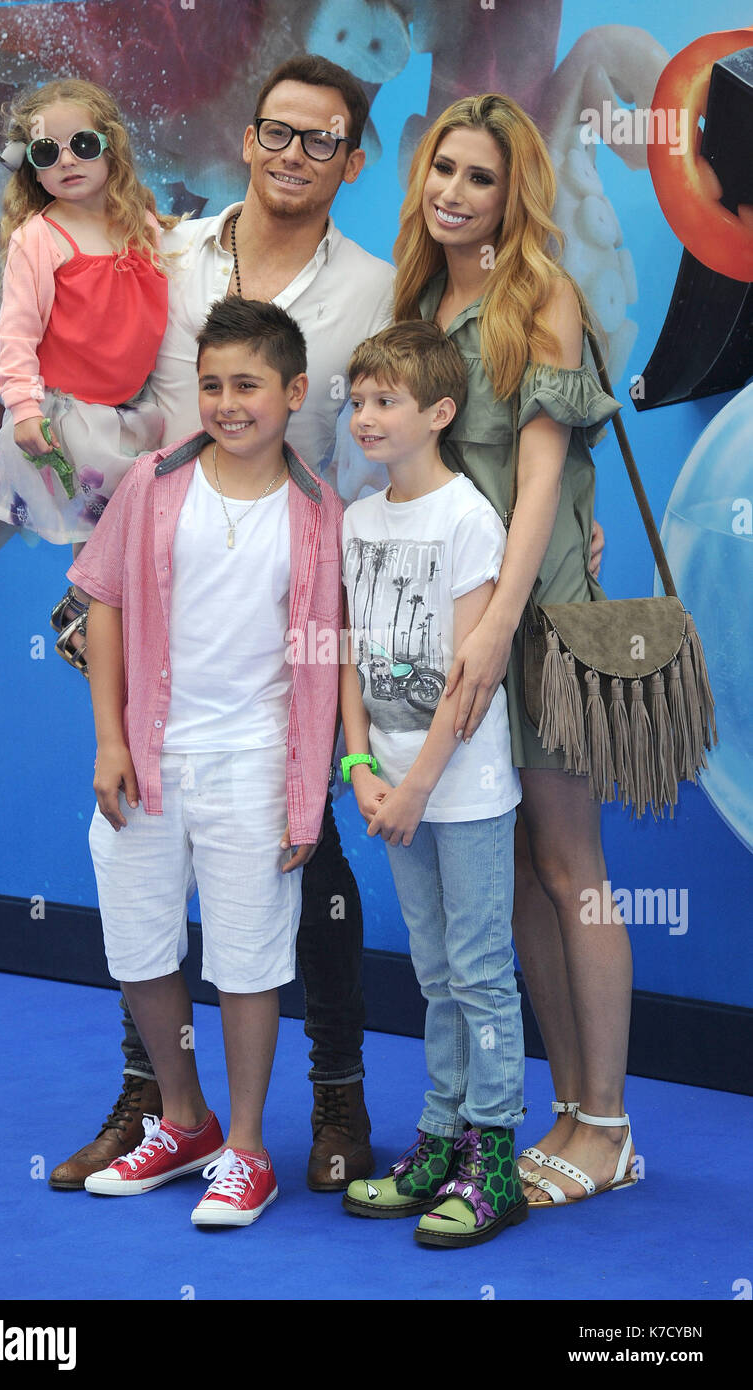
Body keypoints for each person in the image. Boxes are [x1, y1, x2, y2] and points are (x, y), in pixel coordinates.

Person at [48, 54, 394, 1195]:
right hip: (158, 573)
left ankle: (333, 1096)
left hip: (299, 606)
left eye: (324, 140)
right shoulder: (167, 250)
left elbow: (427, 403)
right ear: (246, 138)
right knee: (141, 832)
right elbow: (100, 382)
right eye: (278, 133)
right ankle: (158, 1097)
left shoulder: (379, 287)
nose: (296, 155)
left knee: (314, 856)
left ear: (355, 158)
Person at [393, 94, 636, 1206]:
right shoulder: (421, 297)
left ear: (515, 191)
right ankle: (562, 1108)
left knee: (568, 868)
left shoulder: (543, 295)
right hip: (453, 628)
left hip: (529, 626)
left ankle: (609, 1124)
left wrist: (498, 628)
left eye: (480, 177)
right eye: (444, 168)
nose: (455, 192)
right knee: (515, 891)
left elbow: (540, 480)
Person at [67, 297, 343, 1226]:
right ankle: (182, 1120)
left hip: (257, 765)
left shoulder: (320, 514)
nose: (228, 403)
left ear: (294, 392)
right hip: (150, 759)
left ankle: (250, 1148)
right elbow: (101, 599)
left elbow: (327, 659)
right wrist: (111, 739)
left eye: (249, 386)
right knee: (139, 942)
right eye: (213, 384)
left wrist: (308, 794)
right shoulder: (152, 482)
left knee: (249, 958)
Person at [338, 322, 527, 1248]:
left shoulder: (468, 518)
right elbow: (346, 657)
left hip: (463, 791)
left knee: (483, 972)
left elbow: (468, 674)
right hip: (393, 789)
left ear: (440, 413)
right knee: (434, 969)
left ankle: (494, 1156)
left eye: (387, 402)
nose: (365, 417)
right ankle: (440, 1136)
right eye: (359, 399)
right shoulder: (357, 519)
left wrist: (413, 787)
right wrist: (360, 766)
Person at [0, 78, 172, 672]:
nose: (66, 160)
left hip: (135, 409)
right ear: (31, 169)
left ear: (111, 148)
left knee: (137, 534)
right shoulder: (40, 238)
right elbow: (15, 334)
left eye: (82, 144)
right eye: (46, 152)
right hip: (77, 418)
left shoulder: (138, 219)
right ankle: (90, 619)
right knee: (104, 531)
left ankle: (93, 612)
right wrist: (24, 408)